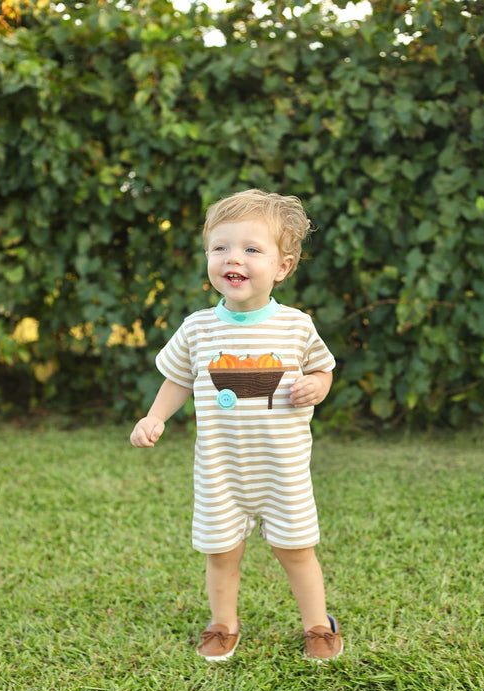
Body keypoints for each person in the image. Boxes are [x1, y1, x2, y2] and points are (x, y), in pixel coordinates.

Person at [130, 189, 342, 663]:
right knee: (221, 553)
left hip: (282, 469)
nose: (233, 258)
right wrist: (154, 416)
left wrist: (317, 385)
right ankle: (223, 623)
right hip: (221, 471)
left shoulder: (296, 326)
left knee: (296, 550)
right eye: (220, 247)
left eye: (251, 249)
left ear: (282, 267)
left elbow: (323, 368)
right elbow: (177, 379)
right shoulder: (198, 328)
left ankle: (317, 624)